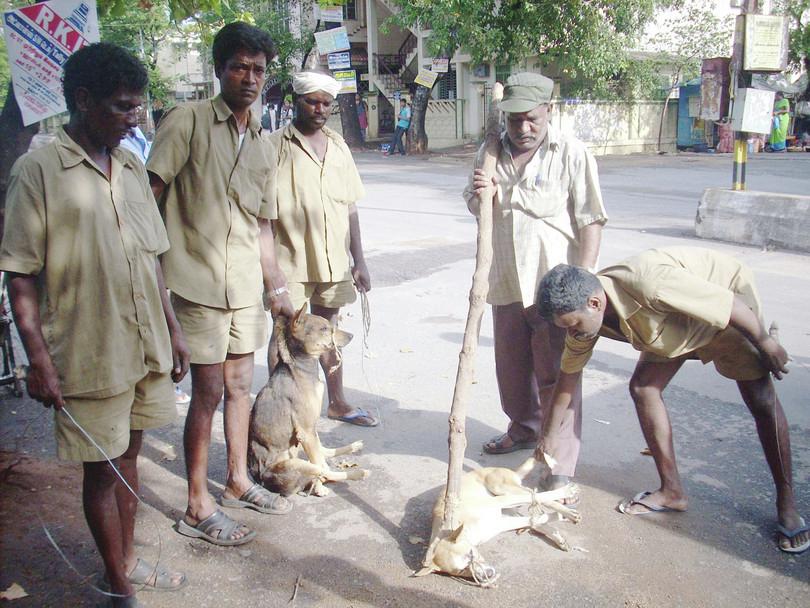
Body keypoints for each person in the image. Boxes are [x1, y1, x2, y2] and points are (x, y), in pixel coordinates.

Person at [0, 43, 190, 607]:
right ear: (83, 101)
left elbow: (154, 256)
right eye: (122, 106)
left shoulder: (130, 162)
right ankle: (120, 584)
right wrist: (37, 359)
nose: (134, 117)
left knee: (128, 459)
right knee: (101, 470)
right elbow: (20, 274)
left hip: (144, 345)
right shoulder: (37, 170)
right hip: (87, 349)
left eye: (138, 106)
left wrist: (174, 331)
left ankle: (121, 566)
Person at [535, 247, 808, 554]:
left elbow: (727, 304)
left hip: (727, 311)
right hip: (672, 323)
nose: (572, 333)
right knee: (644, 388)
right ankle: (672, 492)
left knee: (760, 399)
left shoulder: (651, 283)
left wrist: (765, 341)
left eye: (573, 326)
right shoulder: (584, 319)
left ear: (595, 303)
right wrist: (547, 436)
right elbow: (567, 379)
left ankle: (787, 502)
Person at [146, 21, 295, 547]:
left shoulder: (262, 140)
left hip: (244, 287)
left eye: (259, 69)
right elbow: (149, 196)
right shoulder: (185, 122)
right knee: (207, 392)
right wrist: (151, 280)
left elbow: (262, 222)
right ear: (220, 69)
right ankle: (195, 503)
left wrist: (275, 282)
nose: (251, 78)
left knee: (238, 387)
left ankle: (235, 480)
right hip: (195, 282)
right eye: (240, 67)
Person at [462, 72, 607, 497]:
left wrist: (584, 282)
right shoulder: (490, 152)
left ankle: (559, 459)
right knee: (511, 368)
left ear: (549, 111)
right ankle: (523, 429)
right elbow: (473, 205)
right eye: (514, 121)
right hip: (505, 278)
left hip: (554, 289)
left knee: (558, 374)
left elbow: (591, 219)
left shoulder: (572, 153)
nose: (523, 129)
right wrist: (480, 194)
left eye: (532, 120)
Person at [267, 70, 377, 427]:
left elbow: (351, 207)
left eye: (326, 103)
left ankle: (337, 402)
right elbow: (261, 217)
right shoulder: (273, 146)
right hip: (291, 263)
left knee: (329, 331)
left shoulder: (339, 146)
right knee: (285, 337)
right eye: (311, 101)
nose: (319, 109)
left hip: (334, 263)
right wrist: (271, 274)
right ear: (295, 102)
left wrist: (359, 260)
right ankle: (285, 407)